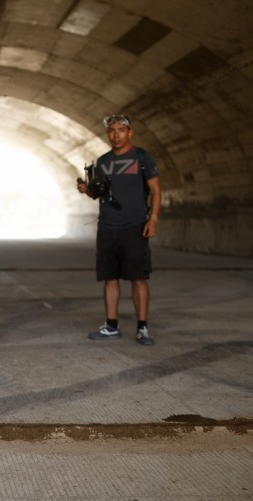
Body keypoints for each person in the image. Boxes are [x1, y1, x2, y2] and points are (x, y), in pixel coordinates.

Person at [76, 114, 161, 345]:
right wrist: (86, 190)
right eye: (112, 130)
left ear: (129, 133)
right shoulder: (103, 161)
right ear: (107, 134)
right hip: (107, 227)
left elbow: (155, 190)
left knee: (138, 278)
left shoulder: (142, 157)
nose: (116, 135)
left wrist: (152, 219)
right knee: (110, 277)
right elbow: (98, 193)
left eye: (121, 130)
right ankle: (111, 325)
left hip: (134, 226)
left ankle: (142, 328)